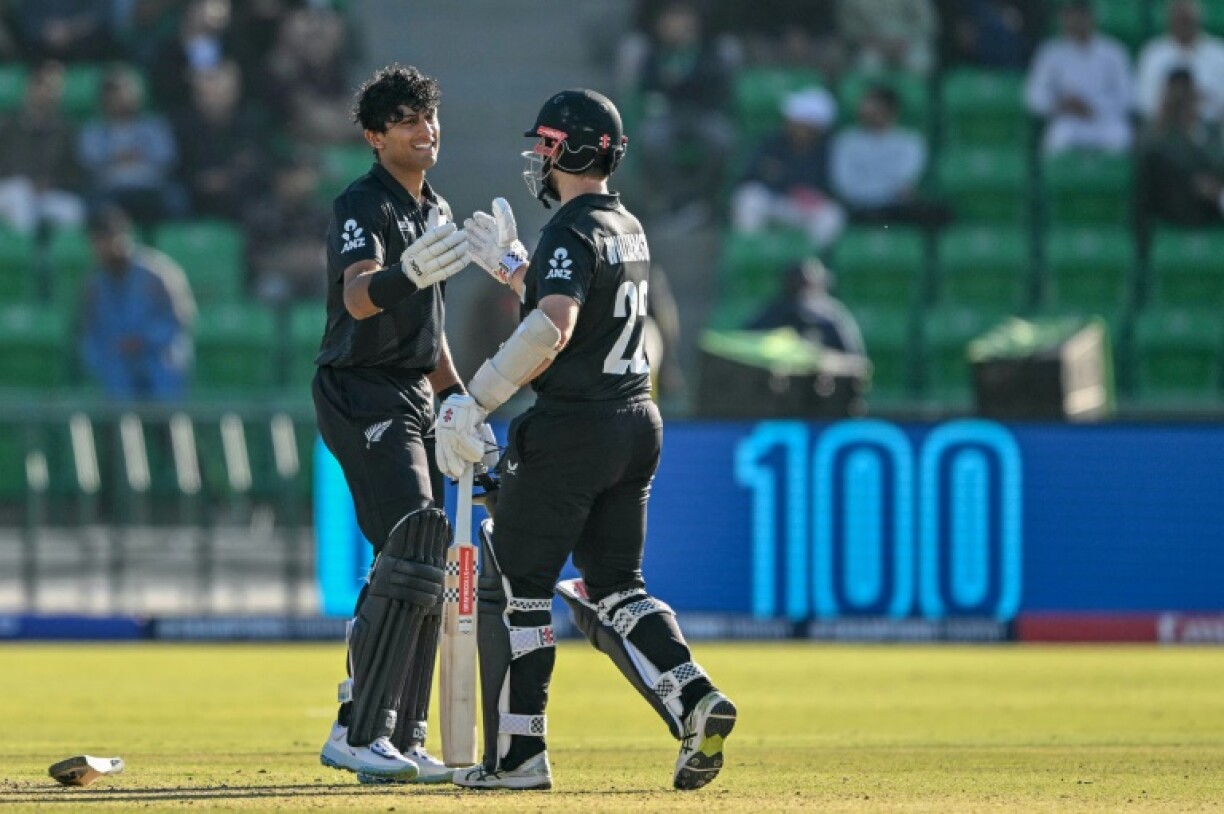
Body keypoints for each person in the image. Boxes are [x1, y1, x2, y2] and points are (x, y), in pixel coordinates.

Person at [437, 89, 736, 792]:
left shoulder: (572, 228)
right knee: (616, 588)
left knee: (519, 589)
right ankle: (695, 698)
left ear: (571, 149)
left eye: (545, 144)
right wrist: (513, 265)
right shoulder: (624, 223)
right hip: (636, 421)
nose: (537, 157)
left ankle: (518, 756)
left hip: (575, 427)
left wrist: (476, 398)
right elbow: (584, 306)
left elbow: (554, 326)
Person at [310, 64, 486, 786]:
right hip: (358, 388)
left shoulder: (435, 209)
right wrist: (402, 275)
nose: (426, 130)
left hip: (411, 390)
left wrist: (459, 398)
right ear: (375, 136)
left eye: (431, 117)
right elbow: (358, 299)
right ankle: (357, 728)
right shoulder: (363, 202)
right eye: (409, 121)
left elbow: (431, 328)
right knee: (414, 538)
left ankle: (400, 732)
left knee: (420, 555)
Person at [79, 204, 195, 402]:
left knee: (166, 378)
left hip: (158, 356)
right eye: (98, 241)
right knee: (114, 381)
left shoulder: (158, 273)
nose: (104, 247)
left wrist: (144, 340)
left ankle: (170, 430)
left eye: (109, 238)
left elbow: (181, 320)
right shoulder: (95, 284)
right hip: (117, 362)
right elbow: (90, 333)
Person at [730, 86, 846, 250]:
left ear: (816, 128)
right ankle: (753, 256)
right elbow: (751, 175)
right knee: (748, 198)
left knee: (832, 215)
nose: (792, 126)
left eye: (801, 123)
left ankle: (812, 262)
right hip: (775, 200)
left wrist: (808, 190)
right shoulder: (772, 142)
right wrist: (784, 181)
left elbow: (831, 186)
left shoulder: (829, 149)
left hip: (808, 206)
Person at [1025, 0, 1134, 156]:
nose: (1075, 21)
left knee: (1121, 139)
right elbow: (1034, 96)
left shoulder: (1114, 52)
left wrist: (1092, 107)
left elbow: (1127, 97)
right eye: (1069, 15)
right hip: (1067, 121)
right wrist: (1060, 105)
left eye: (1080, 15)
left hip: (1105, 121)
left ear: (1091, 17)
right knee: (1058, 140)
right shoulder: (1050, 53)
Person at [1138, 68, 1224, 228]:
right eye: (1179, 100)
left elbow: (1217, 161)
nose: (1185, 104)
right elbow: (1149, 161)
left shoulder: (1210, 131)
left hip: (1214, 202)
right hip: (1177, 205)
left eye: (1189, 97)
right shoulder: (1159, 134)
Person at [747, 258, 866, 356]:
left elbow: (854, 357)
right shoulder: (776, 309)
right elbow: (749, 342)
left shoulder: (832, 314)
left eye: (807, 286)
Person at [1136, 0, 1224, 123]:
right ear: (1169, 20)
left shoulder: (1219, 53)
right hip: (1164, 126)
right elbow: (1143, 102)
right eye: (1179, 19)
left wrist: (1202, 99)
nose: (1184, 25)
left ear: (1200, 19)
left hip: (1211, 127)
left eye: (1188, 20)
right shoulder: (1153, 53)